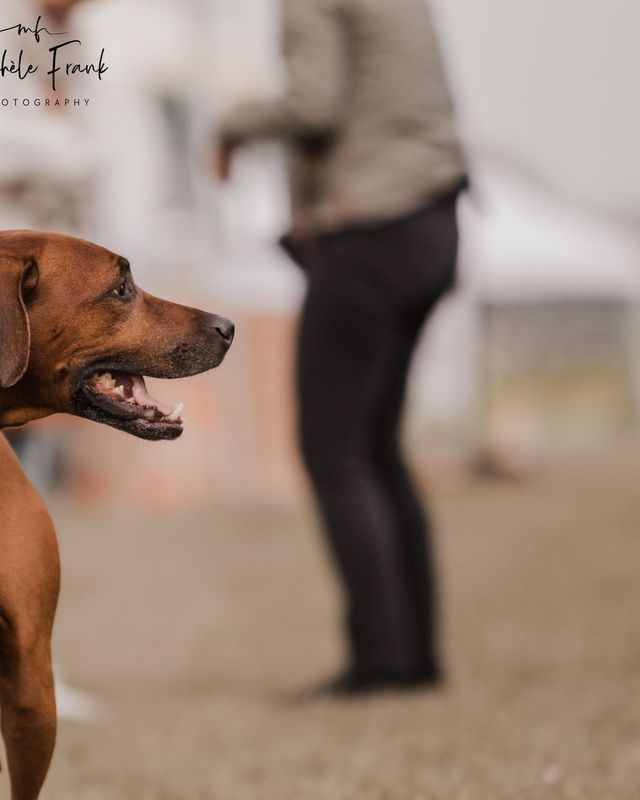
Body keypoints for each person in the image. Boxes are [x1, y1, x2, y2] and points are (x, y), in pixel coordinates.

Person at [217, 0, 466, 696]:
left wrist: (230, 125)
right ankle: (413, 656)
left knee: (334, 449)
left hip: (371, 230)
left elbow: (314, 102)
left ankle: (383, 662)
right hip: (434, 221)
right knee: (377, 447)